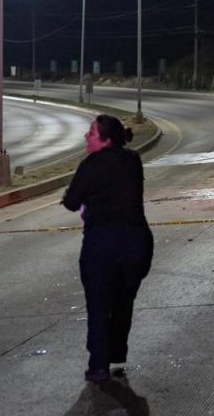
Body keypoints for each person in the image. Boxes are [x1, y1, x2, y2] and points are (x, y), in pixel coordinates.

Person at [62, 114, 153, 382]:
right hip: (136, 243)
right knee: (123, 301)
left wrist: (73, 198)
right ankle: (115, 351)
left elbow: (72, 201)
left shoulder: (91, 164)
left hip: (102, 245)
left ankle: (99, 364)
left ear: (105, 139)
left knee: (99, 304)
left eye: (91, 133)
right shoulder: (133, 160)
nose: (86, 137)